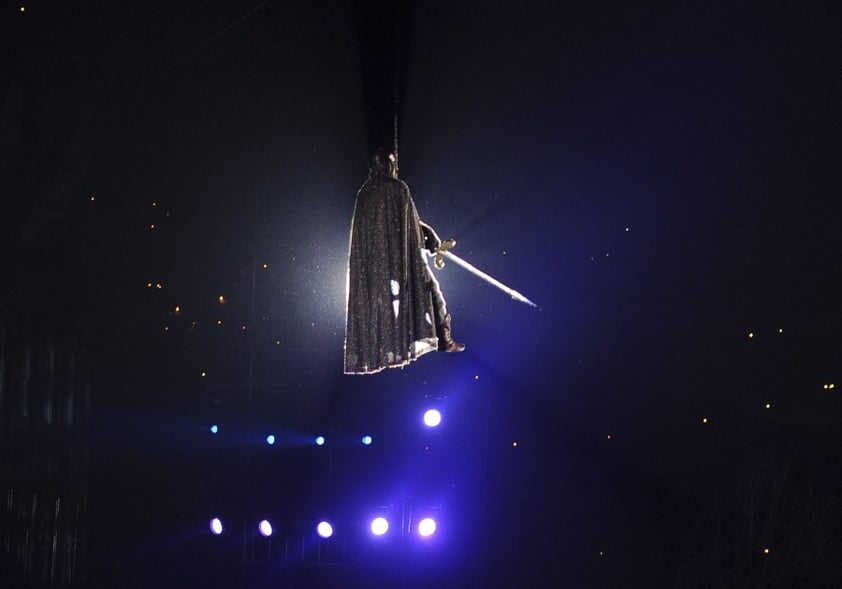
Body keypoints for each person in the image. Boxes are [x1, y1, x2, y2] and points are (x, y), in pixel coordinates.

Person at [344, 149, 464, 375]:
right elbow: (409, 226)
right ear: (389, 166)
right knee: (431, 291)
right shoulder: (398, 189)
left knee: (384, 306)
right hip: (398, 263)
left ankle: (394, 349)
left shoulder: (365, 193)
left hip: (375, 268)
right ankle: (443, 339)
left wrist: (427, 237)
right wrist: (426, 240)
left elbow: (407, 221)